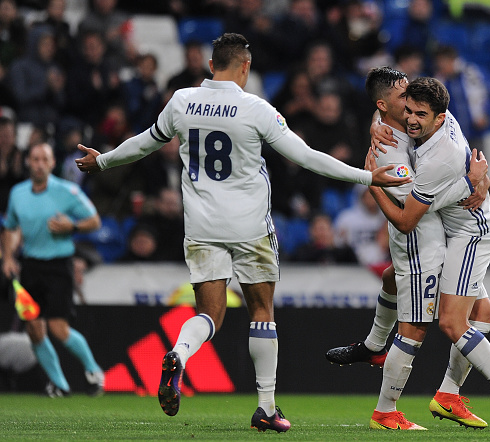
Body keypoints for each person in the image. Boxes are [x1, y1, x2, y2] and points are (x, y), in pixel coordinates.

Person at [74, 33, 406, 432]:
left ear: (211, 65)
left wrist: (103, 160)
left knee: (209, 314)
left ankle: (179, 353)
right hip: (249, 226)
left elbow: (145, 143)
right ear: (245, 67)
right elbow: (306, 157)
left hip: (201, 226)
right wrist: (368, 176)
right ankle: (266, 406)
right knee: (261, 313)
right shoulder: (255, 109)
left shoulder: (181, 101)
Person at [365, 76, 490, 432]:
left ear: (440, 118)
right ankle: (448, 394)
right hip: (457, 227)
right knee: (482, 313)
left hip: (472, 232)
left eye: (420, 115)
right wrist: (376, 123)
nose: (411, 119)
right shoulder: (441, 117)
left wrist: (372, 182)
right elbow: (390, 107)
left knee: (451, 322)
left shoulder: (438, 158)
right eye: (408, 110)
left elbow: (407, 220)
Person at [326, 67, 490, 431]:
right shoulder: (390, 153)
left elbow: (457, 143)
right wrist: (467, 183)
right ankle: (386, 411)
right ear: (387, 105)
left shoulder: (411, 124)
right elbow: (408, 218)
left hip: (443, 238)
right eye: (405, 98)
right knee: (414, 328)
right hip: (420, 246)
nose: (413, 99)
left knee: (482, 311)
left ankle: (437, 386)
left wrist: (481, 178)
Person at [1, 142, 104, 397]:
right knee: (34, 329)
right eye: (34, 159)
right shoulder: (18, 193)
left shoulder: (67, 191)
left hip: (59, 266)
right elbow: (11, 227)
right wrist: (7, 258)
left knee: (58, 328)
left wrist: (73, 227)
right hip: (30, 268)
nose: (38, 164)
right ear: (28, 162)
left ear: (51, 163)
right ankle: (60, 384)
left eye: (43, 159)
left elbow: (95, 221)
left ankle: (93, 371)